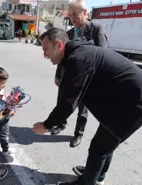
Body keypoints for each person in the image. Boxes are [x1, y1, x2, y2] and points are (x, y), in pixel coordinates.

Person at [32, 28, 142, 185]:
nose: (44, 54)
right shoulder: (78, 53)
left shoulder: (79, 59)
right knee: (106, 142)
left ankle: (87, 182)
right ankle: (97, 175)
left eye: (46, 49)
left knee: (100, 147)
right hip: (127, 100)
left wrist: (46, 125)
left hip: (136, 103)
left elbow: (69, 102)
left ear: (58, 44)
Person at [52, 0, 108, 149]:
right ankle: (60, 123)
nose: (72, 18)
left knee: (83, 109)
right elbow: (61, 57)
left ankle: (78, 133)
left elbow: (103, 56)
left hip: (87, 79)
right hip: (67, 76)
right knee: (62, 102)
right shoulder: (68, 33)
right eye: (70, 15)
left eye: (75, 14)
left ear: (85, 13)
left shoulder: (96, 29)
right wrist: (58, 75)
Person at [0, 67, 15, 156]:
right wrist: (10, 113)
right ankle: (5, 150)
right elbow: (2, 109)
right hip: (2, 118)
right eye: (3, 83)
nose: (5, 85)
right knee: (4, 134)